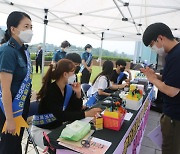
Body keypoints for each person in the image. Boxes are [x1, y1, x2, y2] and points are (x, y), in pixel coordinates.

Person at [31, 59, 101, 150]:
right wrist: (86, 114)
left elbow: (75, 110)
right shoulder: (51, 91)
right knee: (63, 149)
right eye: (73, 72)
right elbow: (61, 115)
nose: (75, 75)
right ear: (65, 74)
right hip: (42, 130)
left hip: (57, 127)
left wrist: (78, 94)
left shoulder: (67, 89)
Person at [142, 22, 180, 154]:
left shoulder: (177, 56)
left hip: (175, 118)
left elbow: (172, 90)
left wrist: (152, 80)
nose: (154, 49)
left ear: (160, 38)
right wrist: (155, 76)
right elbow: (171, 80)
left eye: (152, 45)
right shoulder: (173, 54)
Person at [0, 11, 33, 154]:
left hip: (21, 106)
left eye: (31, 27)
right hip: (9, 109)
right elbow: (5, 89)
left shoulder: (23, 51)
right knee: (8, 146)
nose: (30, 30)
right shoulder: (7, 51)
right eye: (26, 26)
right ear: (13, 29)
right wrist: (10, 119)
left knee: (15, 143)